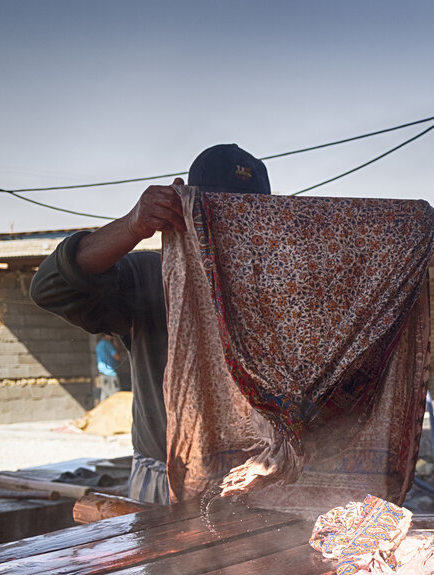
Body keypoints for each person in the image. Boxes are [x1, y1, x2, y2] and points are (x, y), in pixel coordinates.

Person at [31, 144, 270, 504]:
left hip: (262, 479)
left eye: (250, 215)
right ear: (186, 207)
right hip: (168, 482)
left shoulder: (280, 287)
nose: (234, 227)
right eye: (215, 212)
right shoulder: (151, 276)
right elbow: (51, 286)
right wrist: (133, 225)